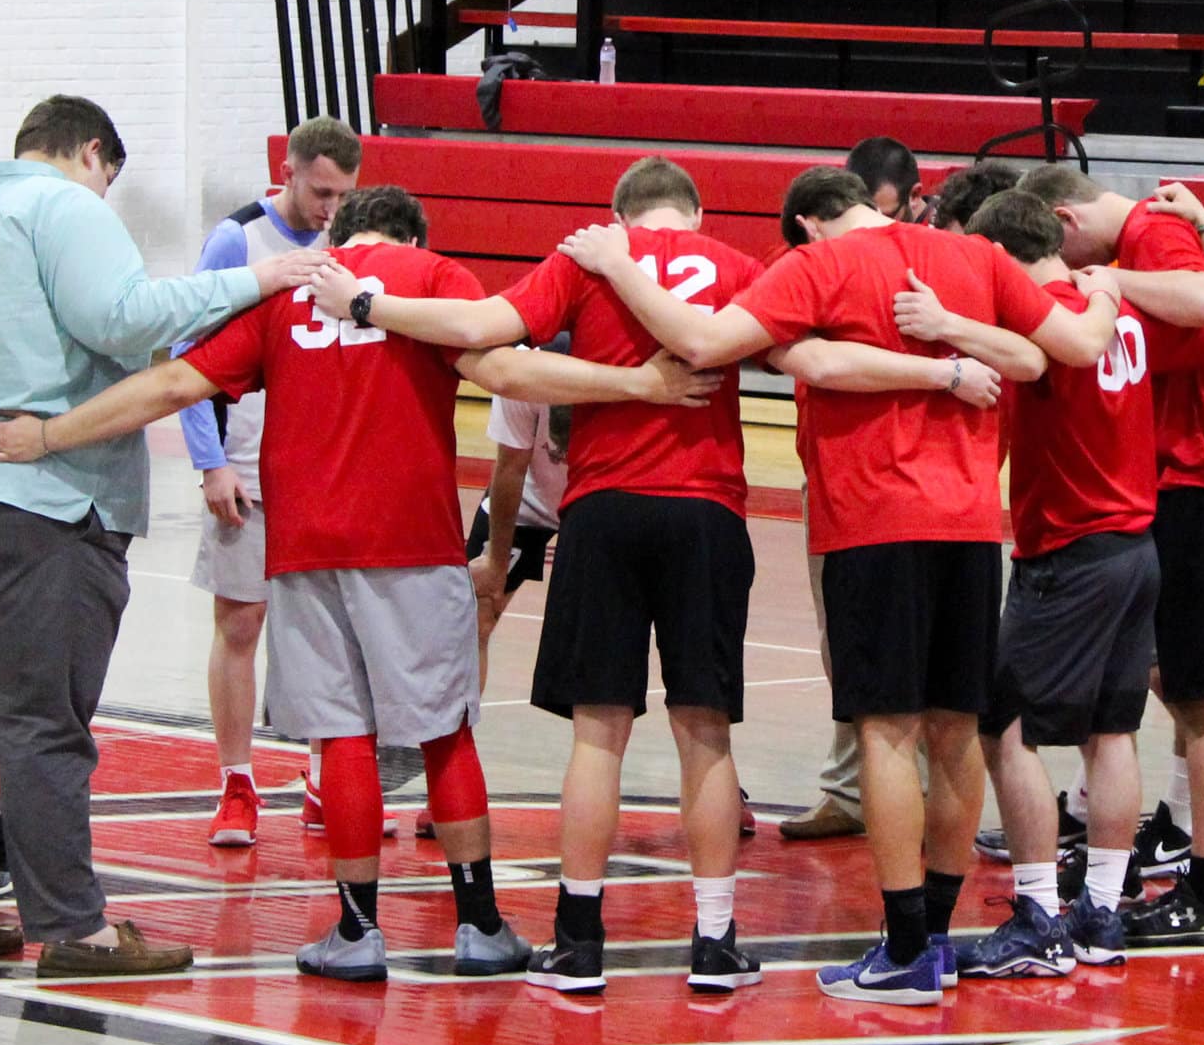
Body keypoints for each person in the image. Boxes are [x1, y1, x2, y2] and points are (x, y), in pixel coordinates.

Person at [0, 184, 720, 983]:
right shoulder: (431, 277)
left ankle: (358, 933)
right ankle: (481, 925)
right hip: (412, 541)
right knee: (442, 730)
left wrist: (48, 434)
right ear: (412, 235)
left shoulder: (291, 292)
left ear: (340, 231)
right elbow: (505, 369)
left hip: (304, 547)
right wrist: (639, 385)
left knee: (344, 736)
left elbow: (173, 387)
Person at [324, 156, 996, 994]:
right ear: (696, 210)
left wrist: (362, 303)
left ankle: (578, 941)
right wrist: (946, 367)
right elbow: (820, 362)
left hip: (604, 508)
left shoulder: (584, 257)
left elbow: (481, 325)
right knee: (704, 731)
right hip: (707, 512)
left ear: (622, 215)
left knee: (597, 733)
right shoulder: (744, 267)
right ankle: (714, 940)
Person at [560, 164, 1119, 1005]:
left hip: (875, 521)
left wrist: (619, 266)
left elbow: (709, 344)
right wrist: (1091, 296)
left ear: (809, 224)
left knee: (885, 732)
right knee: (957, 732)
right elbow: (1069, 349)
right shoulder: (969, 255)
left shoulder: (815, 266)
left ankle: (902, 950)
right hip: (970, 525)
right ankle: (933, 933)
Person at [0, 94, 329, 977]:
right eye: (108, 183)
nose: (104, 202)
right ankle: (74, 925)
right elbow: (127, 318)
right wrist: (259, 279)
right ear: (92, 154)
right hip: (22, 501)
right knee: (40, 722)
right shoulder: (62, 208)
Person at [919, 187, 1204, 978]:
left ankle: (1038, 911)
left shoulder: (1045, 318)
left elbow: (1028, 361)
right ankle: (1101, 912)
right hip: (1136, 543)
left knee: (1005, 723)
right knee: (1112, 730)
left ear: (1001, 255)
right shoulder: (1122, 314)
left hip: (1069, 547)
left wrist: (947, 329)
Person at [1022, 163, 1204, 945]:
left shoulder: (1147, 232)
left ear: (1067, 222)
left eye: (1065, 258)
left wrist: (1132, 265)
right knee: (1175, 678)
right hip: (1178, 484)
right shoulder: (1156, 241)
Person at [776, 143, 978, 843]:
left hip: (914, 489)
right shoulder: (819, 267)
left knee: (919, 689)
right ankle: (854, 790)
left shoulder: (953, 257)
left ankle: (913, 821)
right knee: (853, 654)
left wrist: (947, 360)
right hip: (848, 480)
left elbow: (1039, 347)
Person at [178, 115, 362, 850]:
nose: (329, 209)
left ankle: (324, 776)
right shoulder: (237, 239)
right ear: (287, 172)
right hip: (247, 453)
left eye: (342, 195)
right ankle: (236, 783)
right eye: (320, 192)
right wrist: (209, 461)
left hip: (321, 457)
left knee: (330, 624)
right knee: (241, 620)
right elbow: (186, 347)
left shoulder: (348, 242)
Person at [467, 391, 568, 688]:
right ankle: (459, 732)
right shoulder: (525, 364)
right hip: (529, 498)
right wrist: (496, 562)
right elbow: (509, 465)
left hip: (597, 499)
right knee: (473, 619)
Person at [845, 135, 927, 222]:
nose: (872, 227)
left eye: (884, 218)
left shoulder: (941, 230)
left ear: (914, 195)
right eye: (863, 217)